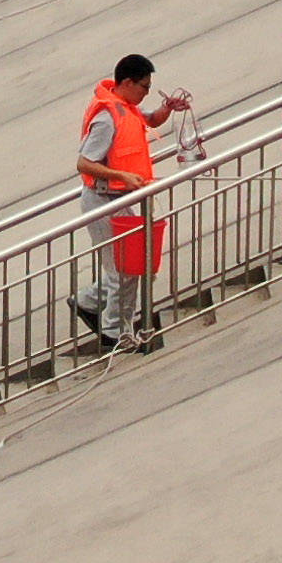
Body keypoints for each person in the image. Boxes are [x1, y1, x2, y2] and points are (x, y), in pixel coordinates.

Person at [71, 55, 191, 348]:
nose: (147, 92)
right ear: (127, 82)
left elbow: (150, 120)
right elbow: (84, 163)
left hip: (118, 199)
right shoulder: (106, 117)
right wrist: (120, 175)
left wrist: (167, 109)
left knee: (128, 267)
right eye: (144, 87)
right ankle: (116, 333)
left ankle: (88, 301)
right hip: (102, 201)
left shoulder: (127, 107)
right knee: (123, 270)